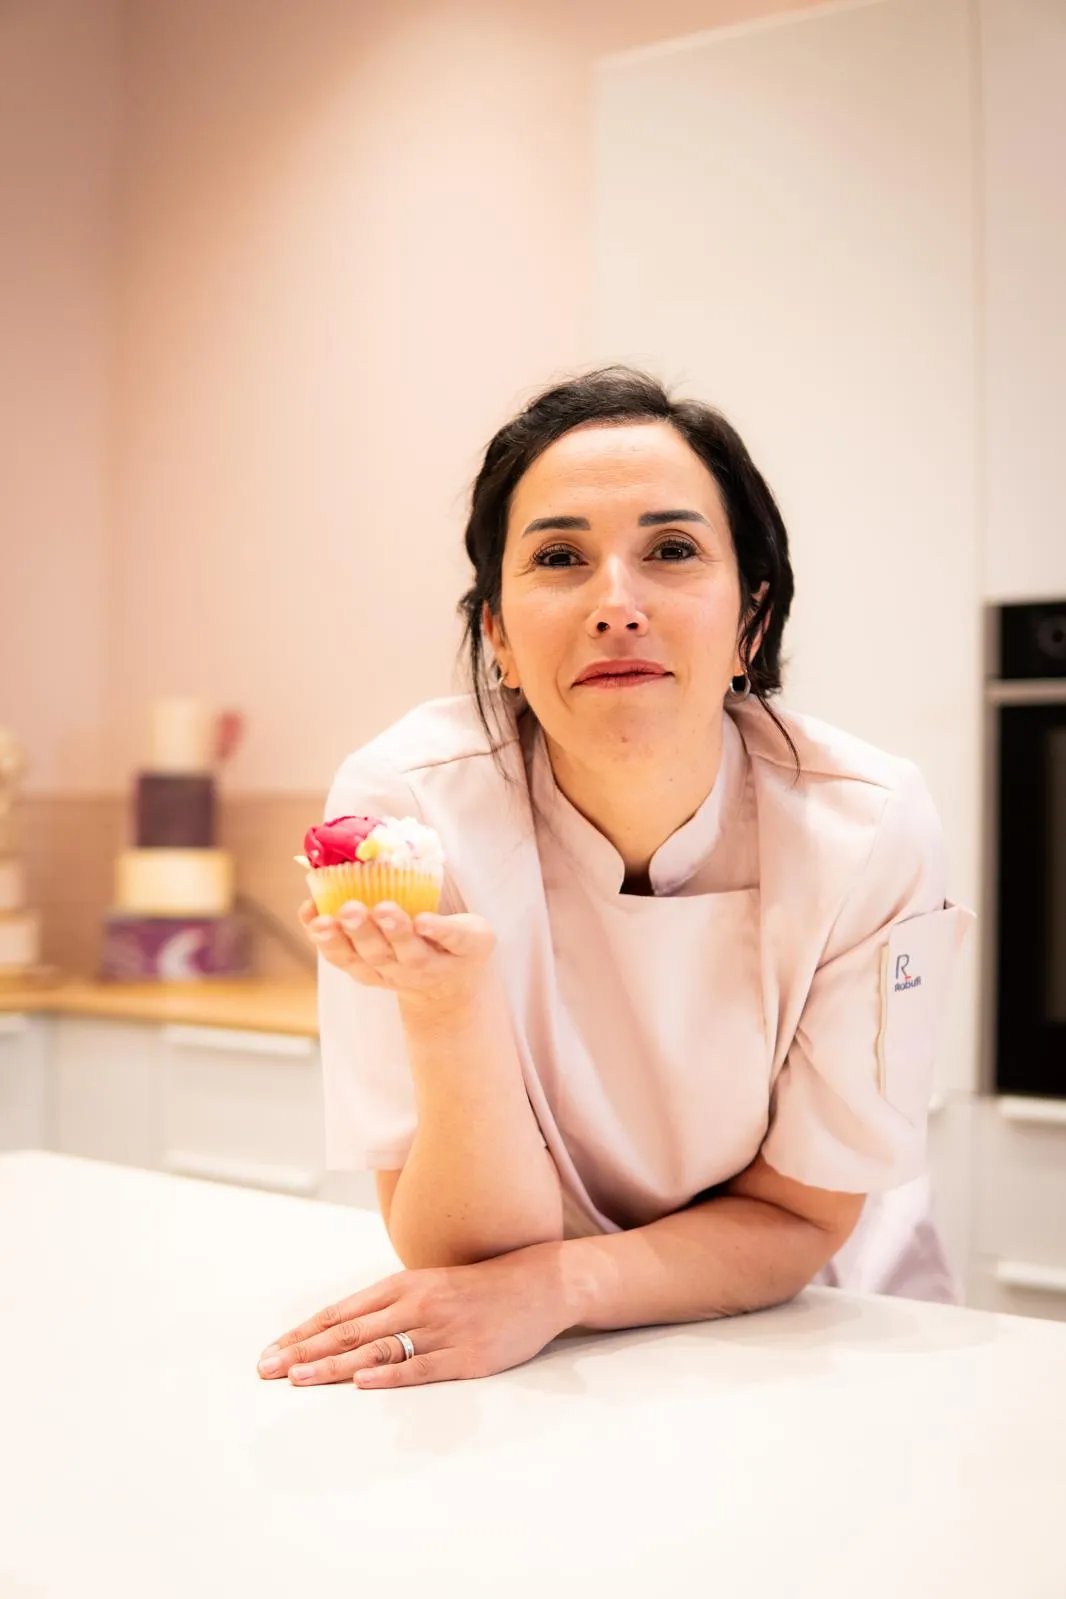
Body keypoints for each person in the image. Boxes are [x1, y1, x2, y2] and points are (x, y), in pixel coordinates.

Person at [256, 366, 976, 1392]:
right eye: (558, 558)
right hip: (531, 1352)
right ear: (496, 635)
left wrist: (558, 1287)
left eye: (671, 551)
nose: (616, 604)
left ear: (751, 624)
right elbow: (462, 1260)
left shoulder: (864, 822)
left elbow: (798, 1218)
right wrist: (450, 1003)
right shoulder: (408, 813)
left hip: (810, 1330)